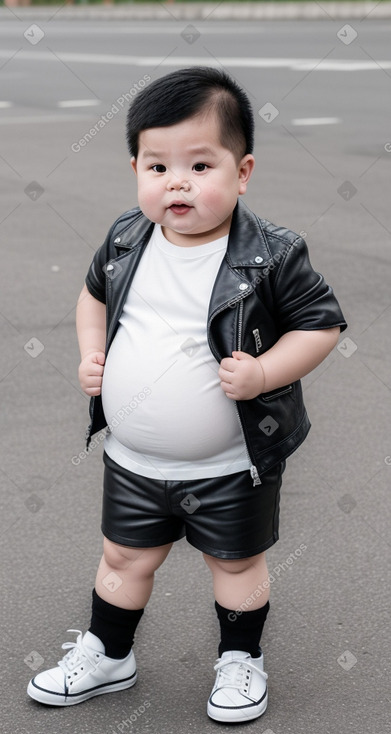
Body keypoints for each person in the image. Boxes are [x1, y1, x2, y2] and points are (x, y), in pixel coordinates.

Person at [27, 67, 347, 723]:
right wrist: (93, 353)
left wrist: (263, 373)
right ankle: (108, 653)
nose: (176, 182)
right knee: (121, 555)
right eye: (156, 166)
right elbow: (92, 297)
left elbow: (320, 325)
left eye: (200, 164)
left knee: (235, 565)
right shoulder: (125, 240)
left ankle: (240, 659)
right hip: (135, 460)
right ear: (136, 169)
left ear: (243, 170)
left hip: (230, 463)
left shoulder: (270, 254)